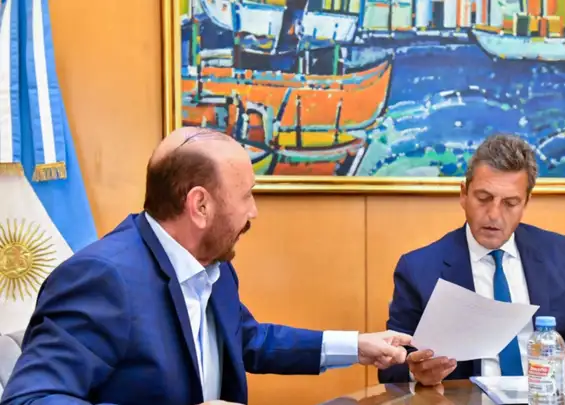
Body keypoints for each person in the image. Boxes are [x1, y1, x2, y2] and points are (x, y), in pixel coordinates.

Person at [1, 127, 412, 405]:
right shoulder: (103, 278)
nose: (253, 212)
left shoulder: (212, 265)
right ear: (200, 205)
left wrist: (356, 347)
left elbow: (246, 339)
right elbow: (31, 398)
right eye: (246, 195)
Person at [378, 134, 565, 387]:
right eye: (483, 198)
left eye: (510, 203)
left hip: (544, 395)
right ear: (463, 195)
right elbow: (391, 368)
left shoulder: (562, 253)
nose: (494, 215)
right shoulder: (418, 268)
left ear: (525, 203)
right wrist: (416, 372)